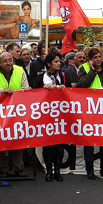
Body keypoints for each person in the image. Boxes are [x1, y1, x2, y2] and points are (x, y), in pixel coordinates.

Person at [0, 52, 31, 177]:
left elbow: (25, 89)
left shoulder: (20, 71)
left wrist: (21, 92)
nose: (8, 63)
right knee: (0, 140)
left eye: (10, 60)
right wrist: (2, 91)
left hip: (16, 112)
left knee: (17, 139)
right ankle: (2, 168)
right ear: (0, 62)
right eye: (5, 61)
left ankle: (18, 167)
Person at [79, 47, 103, 180]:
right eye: (94, 57)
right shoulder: (84, 68)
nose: (98, 59)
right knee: (89, 139)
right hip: (90, 109)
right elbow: (83, 86)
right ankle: (89, 169)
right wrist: (92, 71)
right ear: (90, 59)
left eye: (99, 57)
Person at [34, 52, 71, 182]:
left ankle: (58, 171)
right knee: (48, 146)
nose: (59, 64)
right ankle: (49, 170)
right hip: (46, 117)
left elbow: (71, 93)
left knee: (59, 147)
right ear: (49, 64)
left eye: (59, 61)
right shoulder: (40, 78)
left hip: (60, 117)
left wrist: (64, 89)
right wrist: (43, 90)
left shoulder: (63, 76)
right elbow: (33, 96)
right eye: (56, 61)